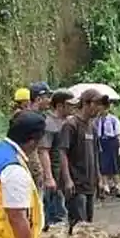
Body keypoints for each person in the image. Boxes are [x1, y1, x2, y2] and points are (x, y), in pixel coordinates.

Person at [58, 89, 101, 234]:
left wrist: (99, 179)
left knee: (88, 225)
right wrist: (67, 180)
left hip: (89, 182)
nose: (99, 109)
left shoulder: (93, 127)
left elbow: (95, 154)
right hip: (75, 183)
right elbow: (63, 152)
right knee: (78, 226)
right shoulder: (71, 125)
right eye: (96, 104)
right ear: (86, 104)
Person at [38, 90, 74, 230]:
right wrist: (48, 177)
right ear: (60, 106)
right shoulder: (49, 124)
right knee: (55, 214)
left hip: (68, 174)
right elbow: (43, 151)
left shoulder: (69, 122)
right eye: (70, 105)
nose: (73, 108)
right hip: (54, 175)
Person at [94, 99, 120, 200]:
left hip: (112, 142)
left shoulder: (113, 119)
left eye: (102, 107)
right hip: (102, 142)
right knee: (103, 165)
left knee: (114, 166)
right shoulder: (97, 120)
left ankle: (116, 186)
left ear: (106, 108)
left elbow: (119, 133)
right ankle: (105, 186)